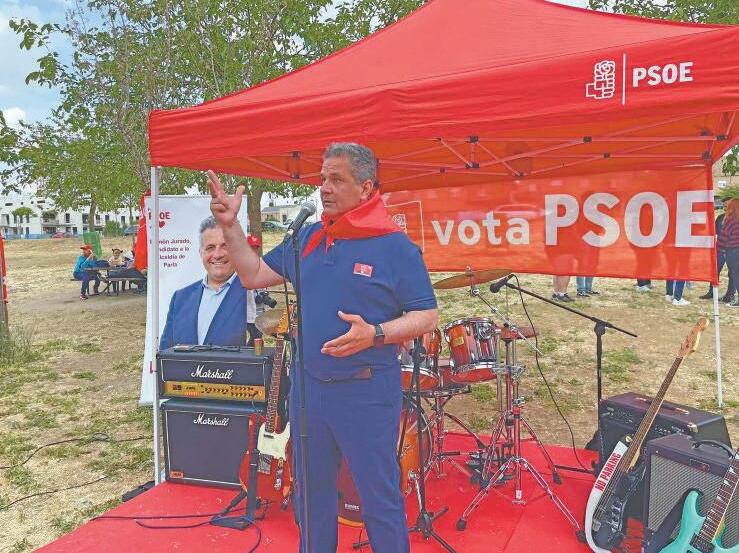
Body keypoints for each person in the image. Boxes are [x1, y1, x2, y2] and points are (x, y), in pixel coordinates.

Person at [208, 142, 438, 553]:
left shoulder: (395, 246)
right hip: (309, 390)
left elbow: (427, 315)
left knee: (378, 498)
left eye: (336, 179)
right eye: (322, 178)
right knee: (311, 498)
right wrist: (231, 227)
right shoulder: (309, 238)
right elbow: (253, 275)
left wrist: (376, 333)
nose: (324, 188)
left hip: (366, 391)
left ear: (366, 187)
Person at [159, 216, 248, 349]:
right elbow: (165, 353)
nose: (217, 255)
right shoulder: (180, 298)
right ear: (201, 253)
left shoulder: (251, 295)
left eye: (225, 246)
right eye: (210, 247)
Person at [699, 209, 735, 302]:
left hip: (732, 250)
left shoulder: (736, 218)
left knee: (732, 273)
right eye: (724, 206)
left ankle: (730, 295)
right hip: (720, 249)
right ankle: (712, 292)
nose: (726, 207)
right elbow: (713, 231)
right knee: (715, 271)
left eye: (728, 205)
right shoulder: (720, 218)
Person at [717, 197, 739, 308]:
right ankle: (731, 295)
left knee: (735, 275)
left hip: (732, 251)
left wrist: (718, 247)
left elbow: (724, 236)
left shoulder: (730, 219)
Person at [245, 234, 266, 347]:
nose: (254, 250)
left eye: (256, 247)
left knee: (257, 338)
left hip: (260, 310)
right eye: (251, 248)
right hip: (249, 311)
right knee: (256, 338)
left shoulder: (260, 264)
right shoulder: (242, 265)